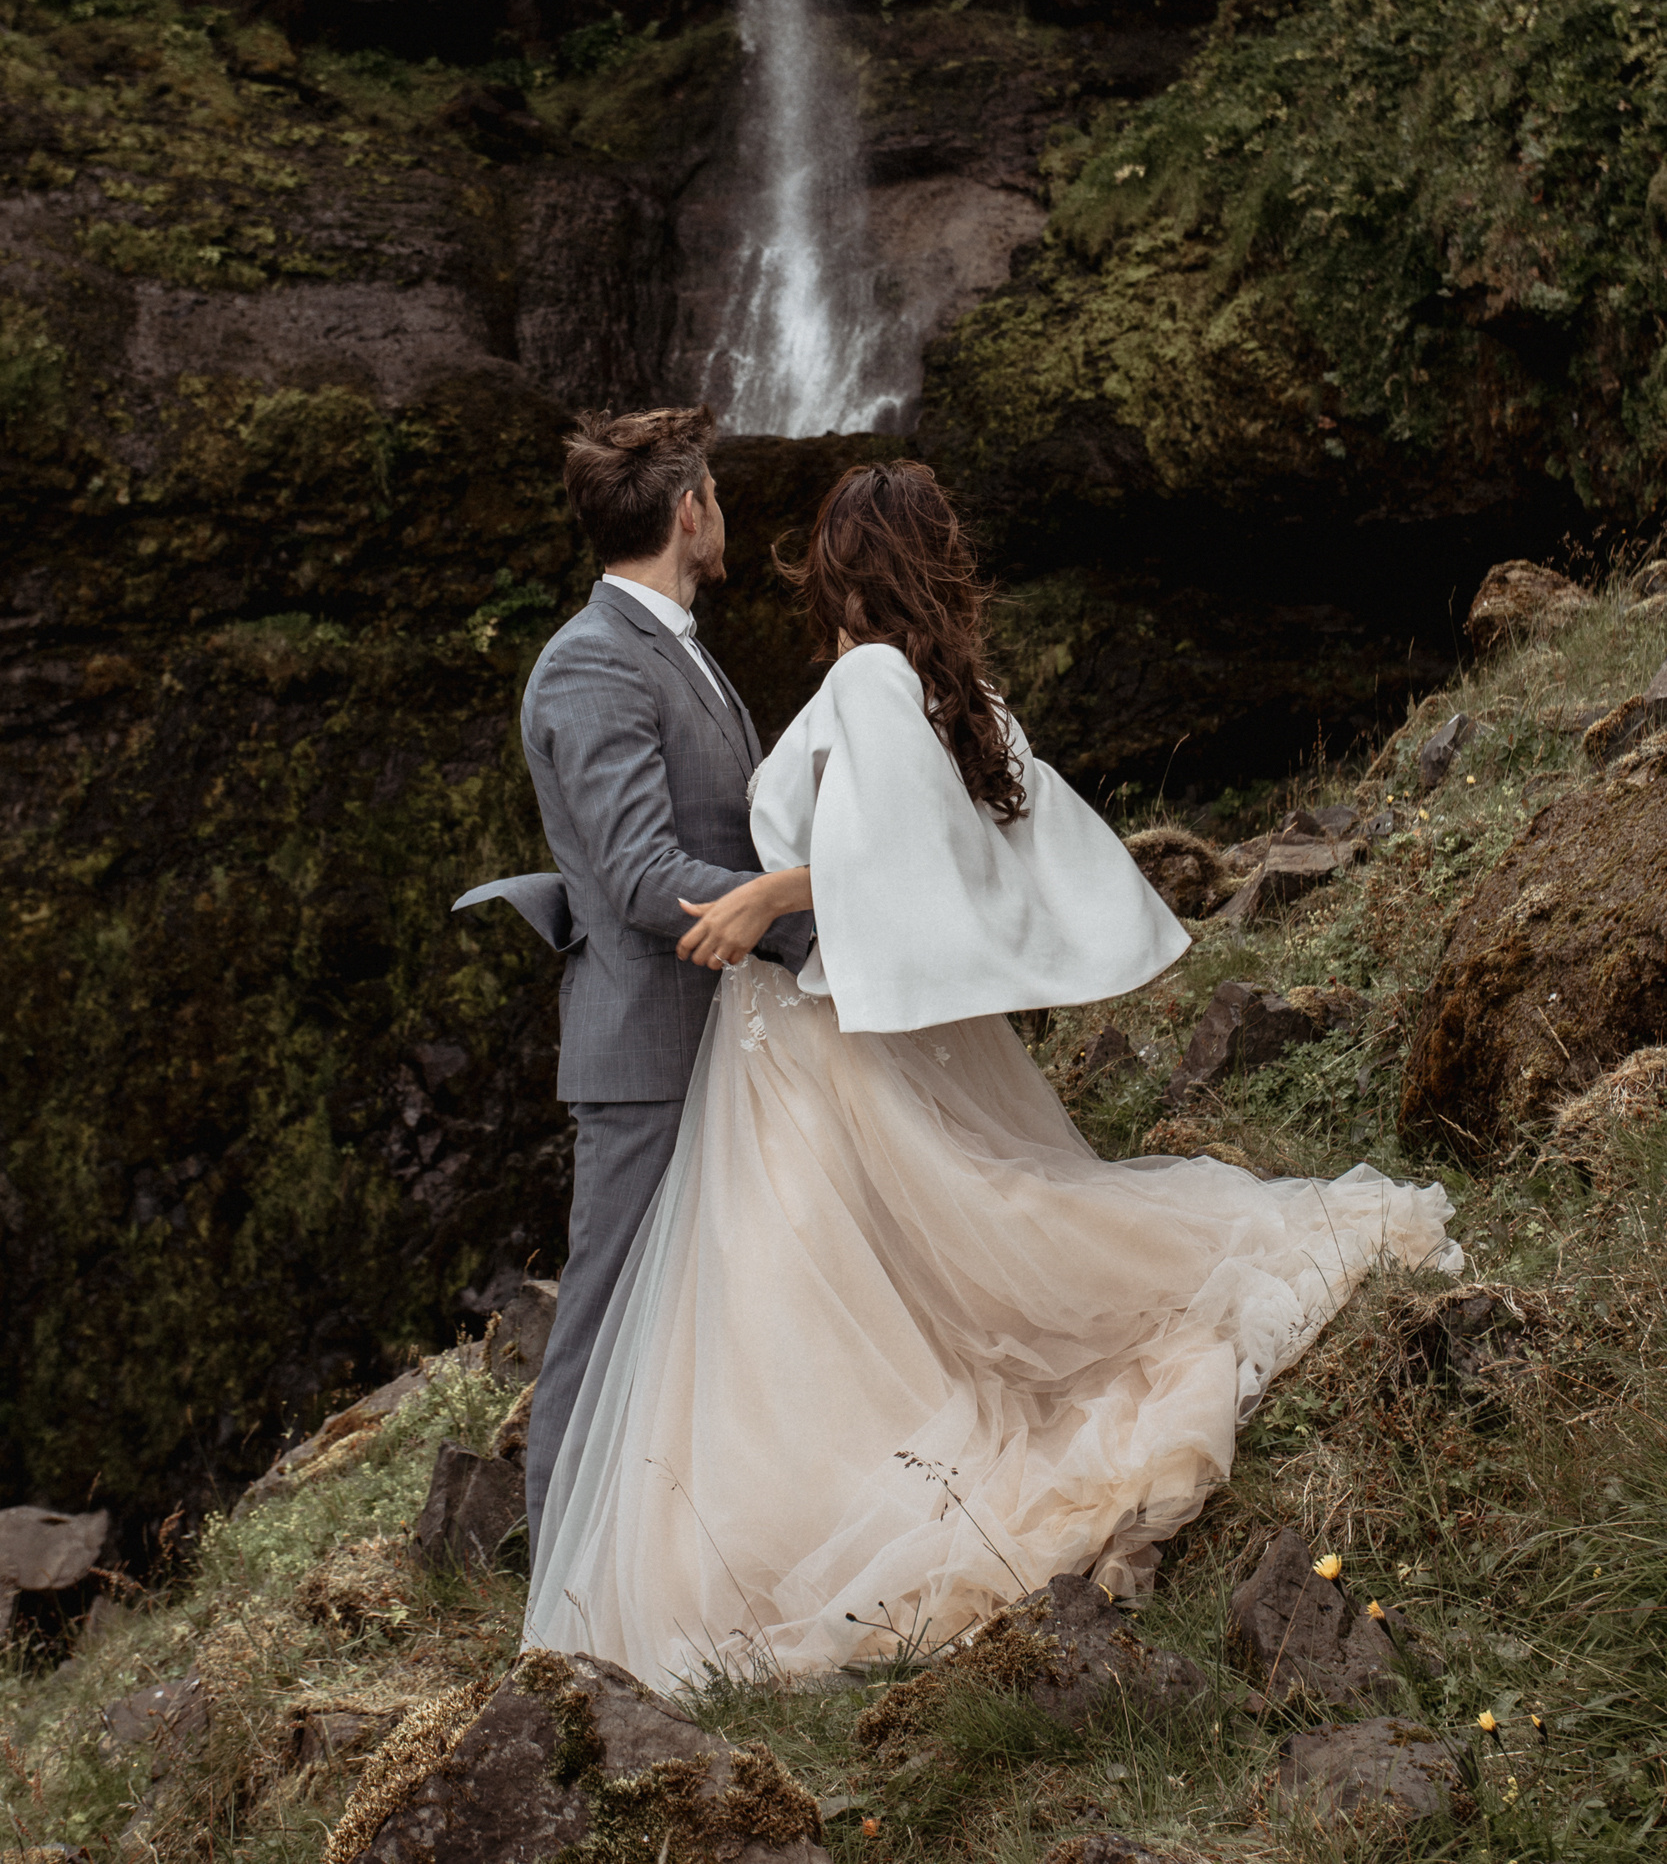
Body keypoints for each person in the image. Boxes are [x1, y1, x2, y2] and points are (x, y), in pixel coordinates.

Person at [521, 461, 1458, 1687]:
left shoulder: (866, 680)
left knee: (800, 1297)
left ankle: (684, 1556)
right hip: (774, 1030)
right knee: (824, 1288)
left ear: (842, 564)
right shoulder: (929, 685)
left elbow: (904, 858)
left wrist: (770, 895)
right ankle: (640, 1547)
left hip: (794, 1037)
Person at [504, 406, 814, 1555]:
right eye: (717, 495)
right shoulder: (590, 659)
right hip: (646, 1045)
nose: (721, 511)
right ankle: (559, 1587)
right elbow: (639, 874)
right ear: (690, 512)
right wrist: (805, 911)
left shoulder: (673, 644)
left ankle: (677, 1555)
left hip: (719, 1031)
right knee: (602, 1321)